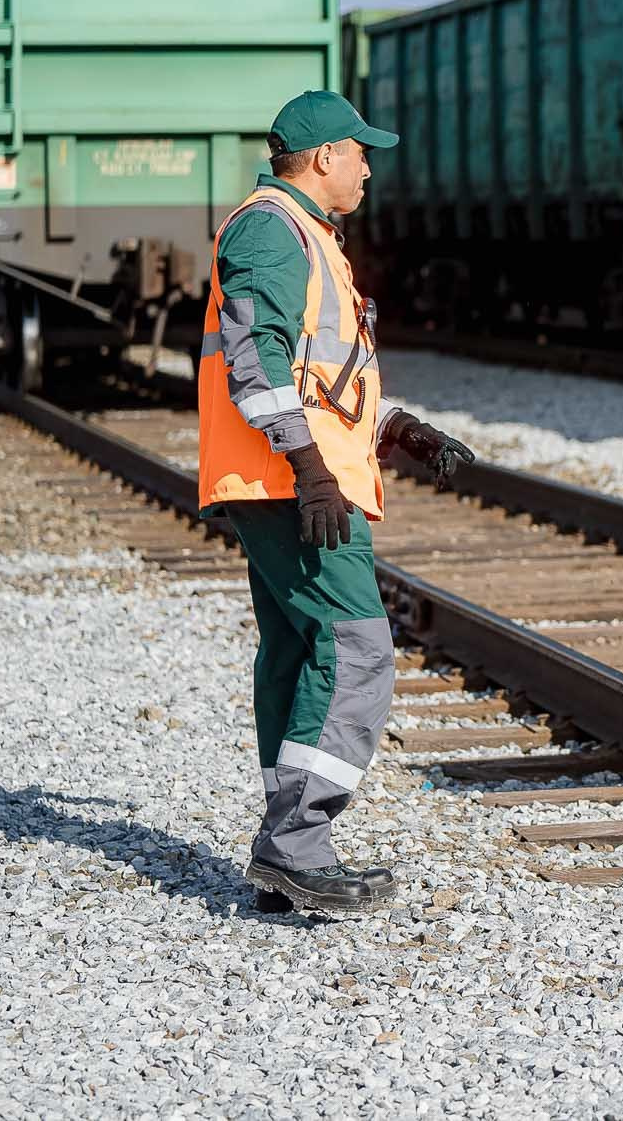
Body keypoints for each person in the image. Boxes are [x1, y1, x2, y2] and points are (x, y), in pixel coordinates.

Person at [195, 89, 474, 915]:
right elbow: (256, 359)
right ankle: (296, 845)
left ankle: (283, 852)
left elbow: (323, 379)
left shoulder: (307, 235)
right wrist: (313, 471)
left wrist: (400, 429)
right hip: (294, 485)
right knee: (356, 650)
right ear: (324, 157)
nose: (368, 169)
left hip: (291, 476)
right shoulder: (272, 231)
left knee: (298, 652)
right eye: (360, 153)